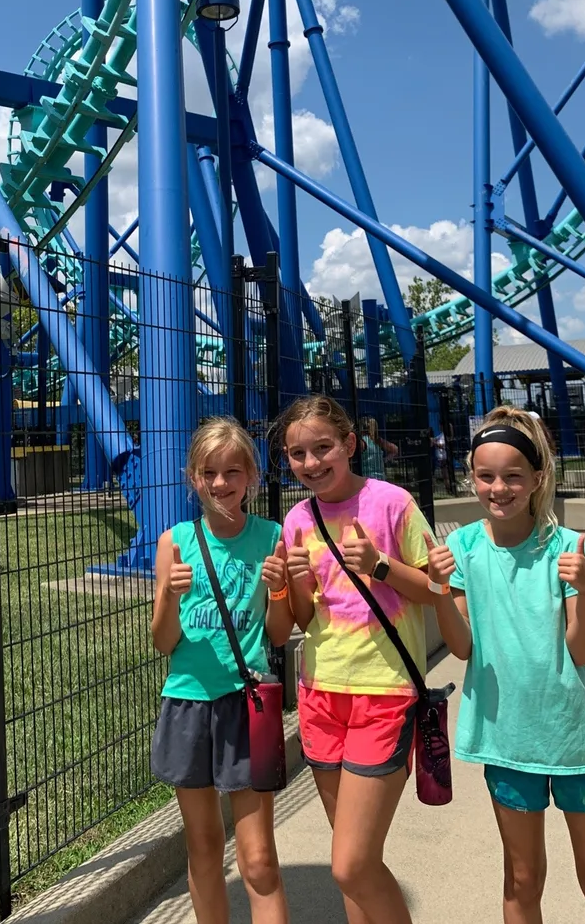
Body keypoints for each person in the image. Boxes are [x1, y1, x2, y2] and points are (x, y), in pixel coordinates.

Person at [428, 405, 585, 924]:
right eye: (485, 476)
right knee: (522, 881)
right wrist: (436, 591)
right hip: (507, 740)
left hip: (572, 739)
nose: (499, 489)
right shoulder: (462, 548)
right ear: (471, 478)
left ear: (538, 477)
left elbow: (582, 650)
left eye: (513, 476)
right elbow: (463, 647)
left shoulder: (567, 550)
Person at [280, 395, 432, 924]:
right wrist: (291, 583)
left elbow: (438, 588)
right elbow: (304, 618)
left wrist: (382, 566)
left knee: (350, 864)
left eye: (322, 448)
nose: (311, 463)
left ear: (349, 444)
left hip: (384, 691)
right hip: (321, 692)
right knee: (354, 860)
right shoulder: (296, 520)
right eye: (297, 454)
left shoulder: (392, 503)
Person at [150, 417, 293, 924]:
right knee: (204, 846)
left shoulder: (273, 537)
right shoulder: (174, 542)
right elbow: (163, 641)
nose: (220, 483)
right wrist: (168, 593)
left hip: (245, 705)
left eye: (233, 471)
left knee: (258, 859)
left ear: (251, 476)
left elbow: (278, 634)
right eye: (209, 472)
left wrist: (279, 590)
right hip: (187, 701)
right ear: (193, 477)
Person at [359, 415, 398, 481]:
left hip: (367, 479)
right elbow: (395, 449)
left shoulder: (362, 442)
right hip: (381, 478)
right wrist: (384, 460)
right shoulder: (378, 440)